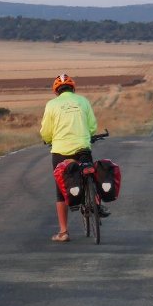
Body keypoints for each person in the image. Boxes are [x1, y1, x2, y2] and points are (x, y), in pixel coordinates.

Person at [40, 73, 105, 242]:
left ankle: (63, 232)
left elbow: (46, 131)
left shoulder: (51, 105)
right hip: (82, 148)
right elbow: (92, 126)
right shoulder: (83, 101)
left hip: (61, 150)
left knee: (61, 189)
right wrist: (88, 135)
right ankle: (96, 202)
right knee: (89, 173)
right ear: (73, 88)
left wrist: (47, 139)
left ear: (56, 91)